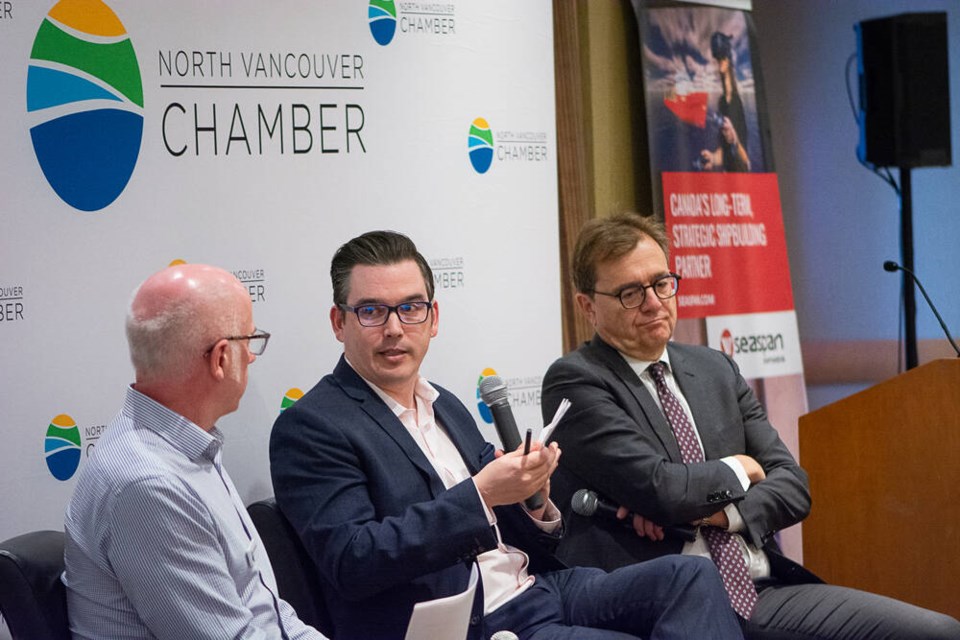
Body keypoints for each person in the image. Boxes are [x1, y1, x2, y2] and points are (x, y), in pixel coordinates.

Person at [270, 230, 744, 640]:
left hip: (537, 587)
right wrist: (480, 494)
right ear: (339, 323)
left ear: (433, 319)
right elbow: (353, 562)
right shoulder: (313, 426)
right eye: (372, 311)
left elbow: (515, 521)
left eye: (410, 308)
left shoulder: (445, 404)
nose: (394, 329)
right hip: (471, 621)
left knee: (690, 577)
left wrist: (534, 499)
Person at [541, 213, 960, 639]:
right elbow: (664, 490)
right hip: (672, 601)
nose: (653, 302)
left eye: (662, 282)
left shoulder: (715, 368)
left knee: (937, 631)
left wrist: (722, 515)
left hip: (761, 586)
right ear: (588, 306)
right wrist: (743, 468)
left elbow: (793, 486)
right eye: (630, 292)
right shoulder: (577, 380)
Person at [63, 264, 327, 640]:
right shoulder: (149, 484)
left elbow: (269, 615)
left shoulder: (185, 448)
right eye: (249, 342)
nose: (252, 357)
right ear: (221, 358)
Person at [699, 32, 751, 172]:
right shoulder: (722, 102)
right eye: (718, 59)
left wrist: (735, 140)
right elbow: (726, 153)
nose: (719, 63)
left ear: (728, 60)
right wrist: (713, 158)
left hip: (742, 185)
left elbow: (746, 162)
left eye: (722, 58)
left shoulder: (736, 103)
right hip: (727, 182)